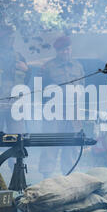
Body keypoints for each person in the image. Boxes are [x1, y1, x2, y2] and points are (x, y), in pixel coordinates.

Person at [38, 35, 86, 178]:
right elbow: (40, 90)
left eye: (67, 49)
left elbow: (82, 87)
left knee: (71, 146)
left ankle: (69, 177)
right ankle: (46, 178)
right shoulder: (48, 67)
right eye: (62, 50)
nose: (65, 52)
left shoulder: (78, 66)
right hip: (54, 114)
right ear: (57, 51)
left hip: (73, 114)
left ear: (70, 49)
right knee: (50, 145)